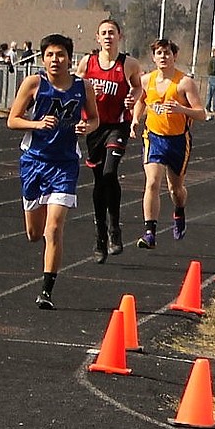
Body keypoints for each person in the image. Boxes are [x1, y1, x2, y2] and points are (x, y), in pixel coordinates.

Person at [6, 34, 99, 309]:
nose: (55, 60)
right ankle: (42, 250)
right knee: (35, 233)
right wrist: (36, 125)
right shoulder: (34, 84)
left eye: (60, 55)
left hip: (65, 164)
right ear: (43, 58)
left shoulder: (83, 87)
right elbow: (12, 120)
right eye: (49, 55)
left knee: (54, 228)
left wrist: (87, 127)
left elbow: (94, 118)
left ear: (70, 58)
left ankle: (46, 290)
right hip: (34, 162)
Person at [77, 19, 143, 263]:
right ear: (97, 38)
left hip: (117, 125)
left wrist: (132, 98)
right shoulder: (88, 63)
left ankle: (114, 228)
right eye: (103, 33)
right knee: (99, 180)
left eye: (112, 33)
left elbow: (138, 88)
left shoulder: (128, 64)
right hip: (94, 126)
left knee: (109, 173)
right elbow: (75, 88)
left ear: (119, 36)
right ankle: (100, 236)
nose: (108, 37)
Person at [132, 39, 206, 249]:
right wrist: (136, 119)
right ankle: (149, 232)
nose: (163, 57)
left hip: (178, 141)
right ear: (153, 57)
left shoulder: (184, 83)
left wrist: (181, 110)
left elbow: (201, 113)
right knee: (152, 182)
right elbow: (141, 100)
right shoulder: (147, 80)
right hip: (153, 137)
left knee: (176, 189)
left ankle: (179, 211)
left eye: (167, 53)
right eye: (159, 53)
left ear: (175, 56)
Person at [206, 47, 215, 117]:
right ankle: (214, 107)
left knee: (210, 93)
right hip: (214, 78)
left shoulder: (211, 59)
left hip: (210, 77)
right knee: (214, 93)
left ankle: (208, 107)